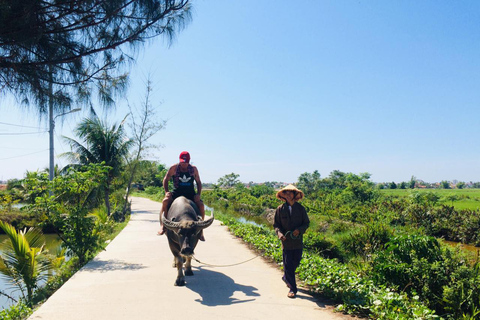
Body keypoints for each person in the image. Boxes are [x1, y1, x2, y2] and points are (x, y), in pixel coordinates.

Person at [158, 151, 206, 240]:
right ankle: (163, 225)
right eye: (182, 162)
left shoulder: (193, 169)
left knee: (201, 206)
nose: (184, 164)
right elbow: (166, 179)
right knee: (165, 202)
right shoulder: (174, 168)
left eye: (186, 162)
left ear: (189, 161)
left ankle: (201, 229)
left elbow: (198, 182)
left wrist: (198, 194)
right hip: (176, 193)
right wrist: (166, 192)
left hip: (190, 194)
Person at [273, 184, 309, 298]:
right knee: (288, 265)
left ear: (295, 195)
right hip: (286, 242)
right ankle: (293, 289)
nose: (288, 195)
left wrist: (299, 230)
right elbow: (276, 225)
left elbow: (306, 223)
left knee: (296, 262)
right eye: (286, 193)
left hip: (297, 241)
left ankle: (286, 277)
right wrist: (280, 234)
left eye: (290, 193)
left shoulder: (300, 209)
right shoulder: (280, 209)